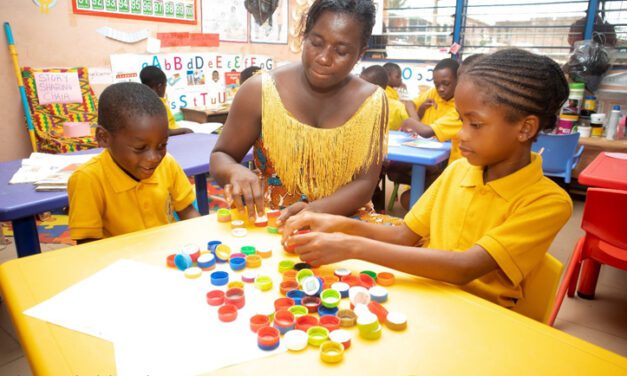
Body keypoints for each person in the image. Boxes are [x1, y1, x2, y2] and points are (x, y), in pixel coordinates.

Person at [282, 49, 573, 309]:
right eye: (461, 121)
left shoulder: (548, 202)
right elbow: (403, 236)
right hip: (429, 296)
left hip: (479, 317)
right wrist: (338, 224)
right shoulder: (458, 171)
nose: (461, 134)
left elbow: (463, 267)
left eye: (476, 124)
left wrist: (351, 245)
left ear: (525, 128)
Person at [210, 0, 390, 225]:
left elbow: (364, 185)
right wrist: (234, 172)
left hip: (341, 221)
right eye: (316, 43)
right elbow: (221, 156)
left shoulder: (372, 102)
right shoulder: (260, 91)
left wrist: (313, 211)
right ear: (304, 36)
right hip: (271, 221)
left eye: (341, 51)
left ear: (360, 53)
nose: (324, 58)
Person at [68, 82, 200, 244]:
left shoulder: (168, 163)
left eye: (162, 145)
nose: (154, 157)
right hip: (121, 263)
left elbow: (187, 211)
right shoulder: (88, 179)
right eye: (140, 148)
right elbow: (87, 247)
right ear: (104, 137)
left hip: (167, 253)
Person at [140, 66, 193, 137]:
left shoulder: (144, 101)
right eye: (165, 85)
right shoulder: (156, 103)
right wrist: (184, 130)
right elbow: (163, 131)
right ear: (159, 86)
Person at [360, 65, 408, 131]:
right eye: (397, 76)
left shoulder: (357, 105)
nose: (401, 79)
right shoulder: (398, 105)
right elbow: (409, 123)